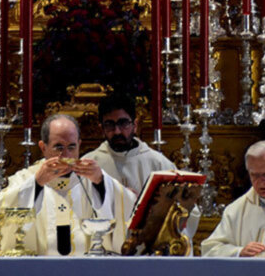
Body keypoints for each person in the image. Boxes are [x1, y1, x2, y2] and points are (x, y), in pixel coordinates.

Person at [0, 113, 135, 255]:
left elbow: (128, 203)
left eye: (71, 147)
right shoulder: (26, 178)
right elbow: (2, 204)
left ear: (79, 144)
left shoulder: (93, 177)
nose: (66, 156)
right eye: (59, 147)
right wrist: (37, 183)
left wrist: (101, 183)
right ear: (43, 147)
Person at [82, 93, 200, 246]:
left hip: (148, 249)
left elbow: (188, 210)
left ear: (135, 125)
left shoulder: (158, 163)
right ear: (101, 129)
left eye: (123, 123)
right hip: (104, 248)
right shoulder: (90, 164)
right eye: (109, 125)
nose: (117, 131)